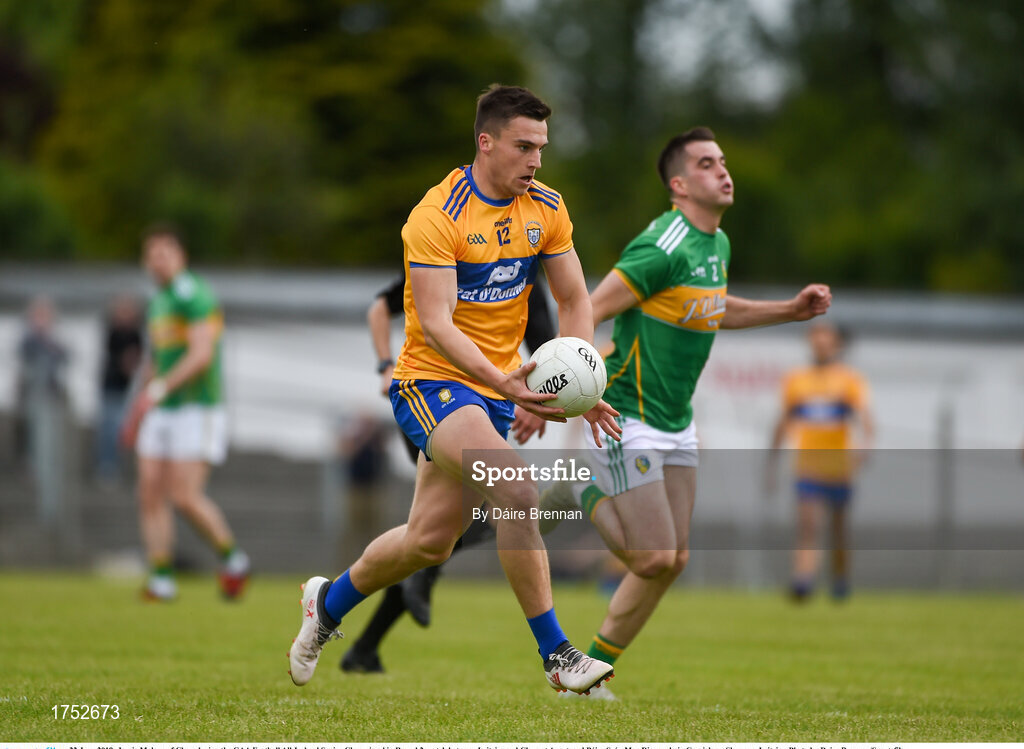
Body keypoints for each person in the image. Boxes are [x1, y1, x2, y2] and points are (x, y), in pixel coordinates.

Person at [288, 84, 621, 695]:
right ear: (485, 142)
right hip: (431, 383)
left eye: (542, 148)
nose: (536, 160)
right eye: (524, 146)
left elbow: (575, 299)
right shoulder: (436, 216)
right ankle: (558, 656)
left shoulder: (545, 208)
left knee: (429, 543)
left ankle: (326, 604)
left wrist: (579, 378)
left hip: (493, 394)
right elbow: (437, 324)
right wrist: (503, 381)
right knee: (517, 490)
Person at [525, 127, 832, 697]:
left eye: (723, 161)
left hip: (675, 420)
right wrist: (547, 389)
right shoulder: (662, 246)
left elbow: (717, 309)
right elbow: (586, 308)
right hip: (629, 415)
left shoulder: (717, 244)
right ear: (679, 184)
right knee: (654, 555)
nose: (723, 170)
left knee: (674, 560)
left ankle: (588, 677)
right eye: (708, 164)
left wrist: (789, 311)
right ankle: (585, 489)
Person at [340, 271, 556, 674]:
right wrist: (385, 365)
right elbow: (379, 308)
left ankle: (364, 639)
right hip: (435, 402)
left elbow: (548, 352)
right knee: (505, 505)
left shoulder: (530, 273)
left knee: (433, 536)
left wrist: (543, 398)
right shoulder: (450, 254)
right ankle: (554, 649)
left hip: (484, 407)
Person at [120, 224, 250, 602]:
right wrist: (138, 407)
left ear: (181, 256)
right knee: (148, 491)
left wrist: (159, 389)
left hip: (197, 408)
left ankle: (234, 559)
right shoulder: (159, 302)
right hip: (162, 409)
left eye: (165, 252)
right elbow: (157, 361)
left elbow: (201, 355)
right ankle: (161, 577)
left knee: (184, 496)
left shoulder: (193, 294)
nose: (158, 260)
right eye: (152, 254)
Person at [765, 321, 873, 601]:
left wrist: (865, 448)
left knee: (838, 528)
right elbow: (784, 420)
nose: (820, 344)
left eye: (826, 339)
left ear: (836, 344)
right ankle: (803, 580)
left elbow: (865, 420)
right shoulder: (796, 379)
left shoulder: (849, 379)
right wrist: (772, 460)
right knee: (808, 524)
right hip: (808, 466)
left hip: (839, 467)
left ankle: (840, 580)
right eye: (816, 338)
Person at [94, 295, 143, 482]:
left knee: (119, 427)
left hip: (126, 388)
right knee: (109, 426)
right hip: (111, 386)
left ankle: (114, 465)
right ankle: (107, 465)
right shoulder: (113, 332)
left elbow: (136, 358)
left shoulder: (135, 334)